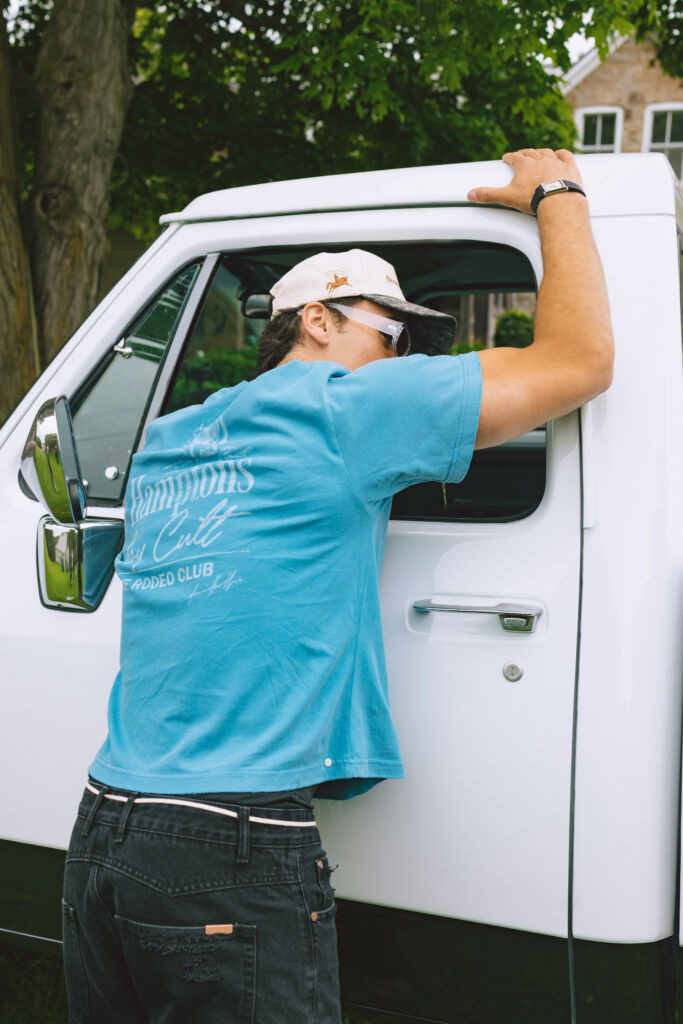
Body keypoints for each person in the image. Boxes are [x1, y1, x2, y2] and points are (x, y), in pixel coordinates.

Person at [62, 149, 613, 1024]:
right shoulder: (347, 410)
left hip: (105, 825)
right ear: (316, 320)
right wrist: (559, 196)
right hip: (230, 841)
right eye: (390, 334)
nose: (403, 355)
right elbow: (580, 360)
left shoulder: (171, 436)